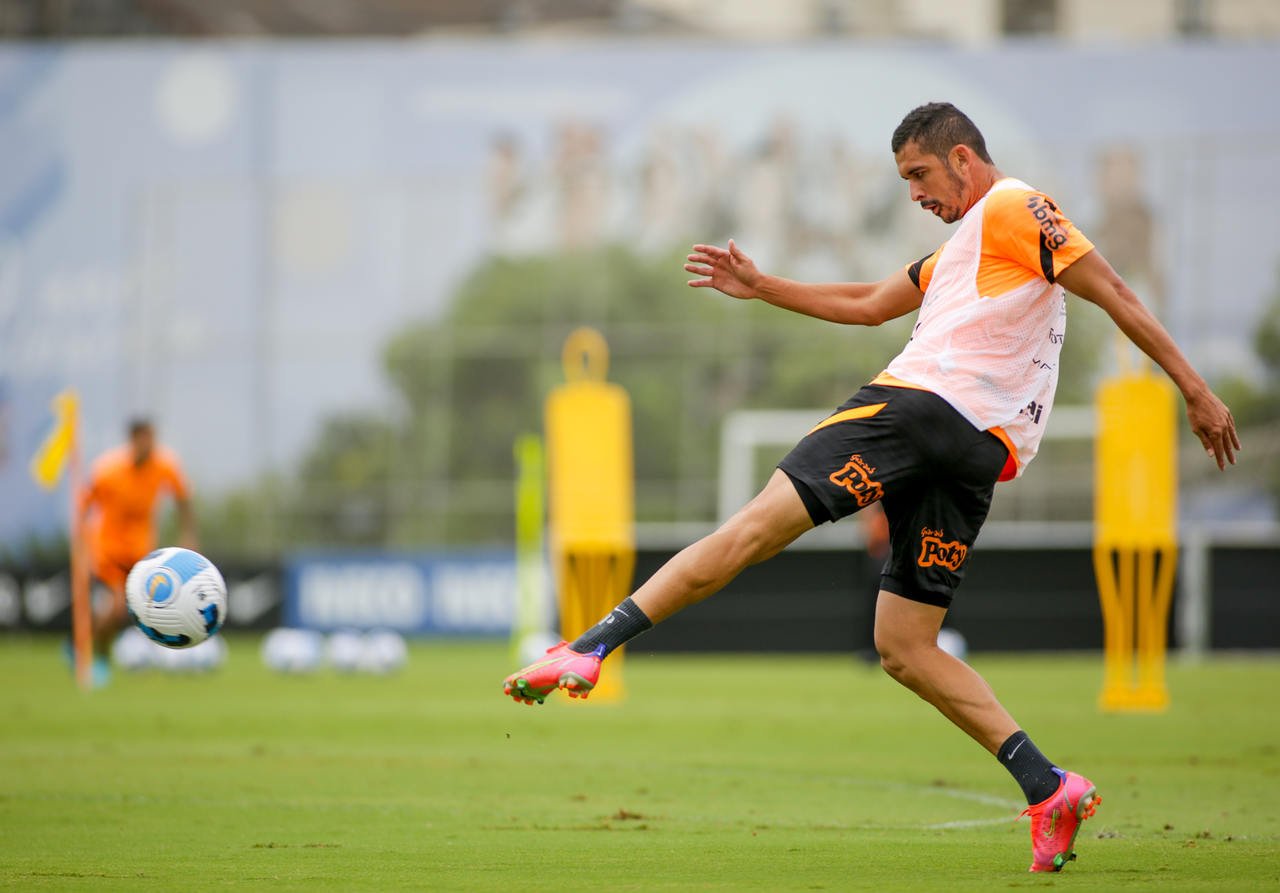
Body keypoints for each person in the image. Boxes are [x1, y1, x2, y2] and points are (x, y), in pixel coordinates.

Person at [501, 102, 1240, 872]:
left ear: (962, 157)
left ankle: (590, 646)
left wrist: (1193, 386)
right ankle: (1048, 785)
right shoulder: (966, 251)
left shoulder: (1016, 206)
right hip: (973, 455)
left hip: (917, 409)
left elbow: (1113, 286)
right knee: (904, 644)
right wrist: (763, 287)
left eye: (919, 174)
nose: (914, 193)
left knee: (754, 527)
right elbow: (865, 305)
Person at [76, 418, 196, 682]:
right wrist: (82, 546)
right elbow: (83, 505)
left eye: (152, 438)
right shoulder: (108, 469)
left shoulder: (165, 465)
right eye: (144, 438)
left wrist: (188, 535)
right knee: (118, 606)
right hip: (108, 550)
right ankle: (100, 662)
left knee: (146, 608)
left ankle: (80, 644)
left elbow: (183, 498)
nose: (149, 444)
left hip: (142, 552)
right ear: (133, 440)